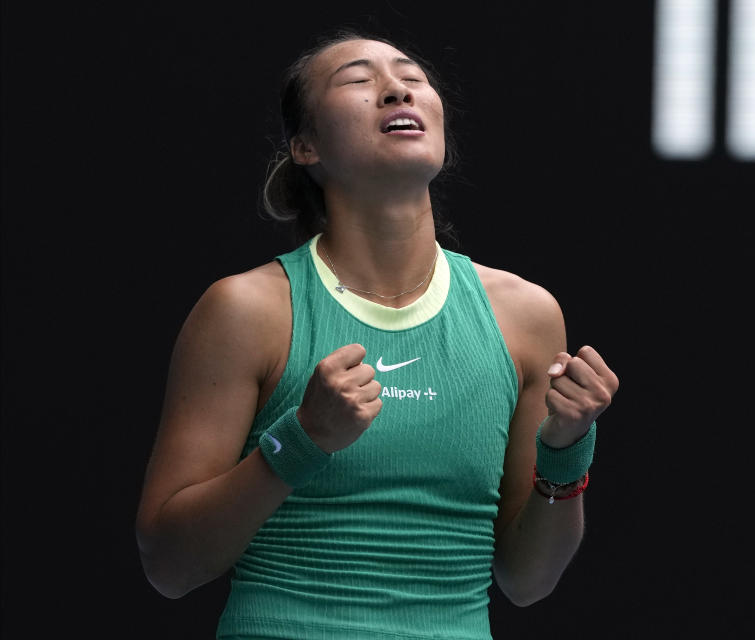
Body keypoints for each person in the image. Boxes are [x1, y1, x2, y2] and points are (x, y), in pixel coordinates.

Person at [135, 28, 619, 640]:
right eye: (359, 81)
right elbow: (170, 566)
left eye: (413, 78)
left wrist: (568, 447)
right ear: (306, 147)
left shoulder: (527, 315)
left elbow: (528, 580)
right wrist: (302, 440)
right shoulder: (246, 309)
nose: (396, 90)